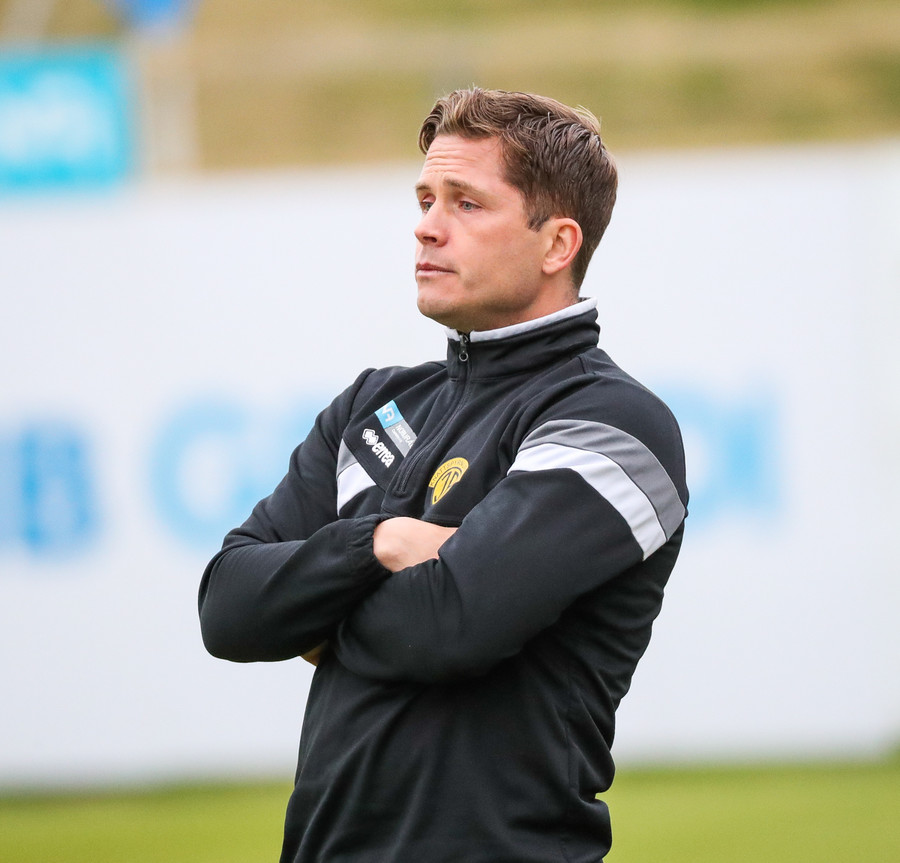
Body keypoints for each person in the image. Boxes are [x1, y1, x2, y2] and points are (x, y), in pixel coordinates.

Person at [199, 87, 688, 863]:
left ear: (557, 244)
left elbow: (449, 625)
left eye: (466, 202)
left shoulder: (616, 422)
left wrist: (314, 611)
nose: (427, 225)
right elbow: (228, 607)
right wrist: (382, 542)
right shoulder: (371, 406)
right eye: (426, 198)